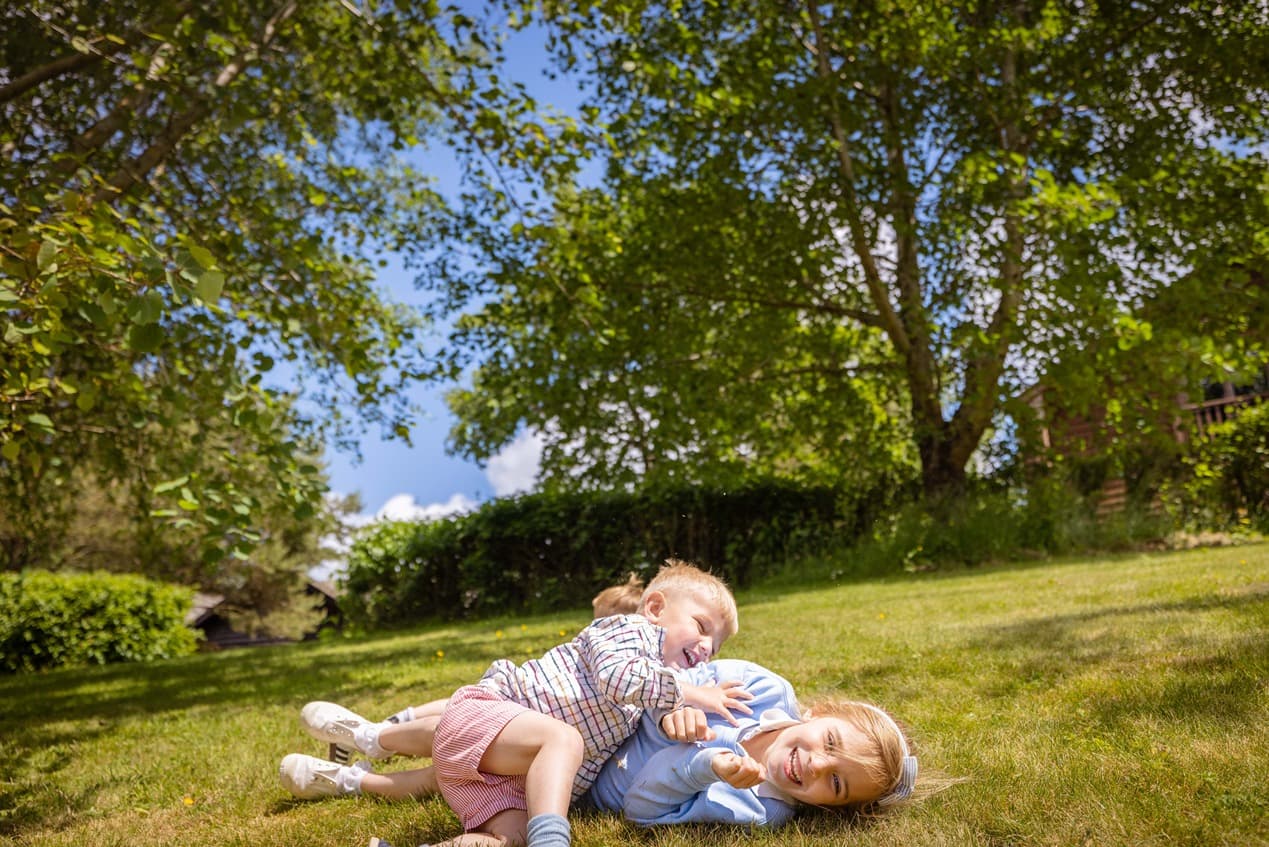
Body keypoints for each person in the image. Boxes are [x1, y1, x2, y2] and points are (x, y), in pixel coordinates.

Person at [279, 560, 745, 847]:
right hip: (493, 715)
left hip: (508, 780)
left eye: (716, 646)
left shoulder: (659, 682)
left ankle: (352, 783)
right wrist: (688, 692)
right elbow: (618, 677)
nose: (707, 648)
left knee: (508, 836)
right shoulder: (626, 632)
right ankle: (370, 738)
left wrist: (685, 718)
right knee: (561, 738)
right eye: (702, 627)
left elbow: (652, 701)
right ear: (656, 608)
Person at [588, 658, 917, 826]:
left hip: (584, 783)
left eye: (835, 782)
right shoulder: (763, 688)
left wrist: (704, 767)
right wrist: (671, 708)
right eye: (830, 742)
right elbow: (663, 675)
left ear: (828, 807)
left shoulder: (762, 808)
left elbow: (639, 810)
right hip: (599, 713)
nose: (816, 764)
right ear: (818, 712)